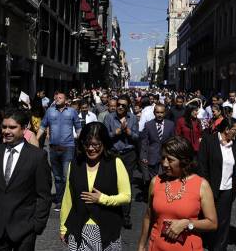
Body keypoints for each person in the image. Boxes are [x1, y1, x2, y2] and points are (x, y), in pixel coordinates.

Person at [0, 109, 52, 250]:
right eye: (4, 127)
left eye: (12, 127)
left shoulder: (37, 157)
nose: (7, 131)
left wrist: (37, 225)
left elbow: (44, 195)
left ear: (24, 128)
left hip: (24, 230)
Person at [137, 136, 218, 251]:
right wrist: (141, 246)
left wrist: (188, 224)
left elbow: (212, 223)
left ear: (184, 161)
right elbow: (148, 217)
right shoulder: (156, 181)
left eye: (170, 160)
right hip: (156, 247)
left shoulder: (201, 185)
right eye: (163, 158)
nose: (164, 164)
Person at [60, 122, 131, 250]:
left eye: (96, 145)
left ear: (104, 143)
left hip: (107, 228)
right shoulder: (75, 164)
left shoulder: (115, 163)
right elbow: (68, 198)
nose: (91, 149)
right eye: (87, 144)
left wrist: (102, 199)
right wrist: (63, 227)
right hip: (79, 227)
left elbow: (126, 196)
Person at [199, 117, 236, 251]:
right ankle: (204, 241)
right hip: (210, 188)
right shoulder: (209, 141)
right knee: (207, 218)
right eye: (235, 130)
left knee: (223, 221)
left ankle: (219, 248)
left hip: (227, 189)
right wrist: (205, 186)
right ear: (227, 129)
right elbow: (202, 165)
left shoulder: (235, 145)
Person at [37, 92, 81, 211]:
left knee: (66, 175)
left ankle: (70, 199)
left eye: (60, 97)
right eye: (56, 97)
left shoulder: (72, 111)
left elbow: (78, 128)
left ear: (66, 100)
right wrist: (35, 141)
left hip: (68, 147)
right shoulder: (50, 111)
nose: (57, 99)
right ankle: (60, 200)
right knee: (57, 177)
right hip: (54, 148)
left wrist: (82, 143)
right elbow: (42, 126)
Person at [104, 94, 139, 229]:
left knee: (126, 184)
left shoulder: (133, 118)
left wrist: (129, 132)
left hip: (128, 155)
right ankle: (111, 213)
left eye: (123, 105)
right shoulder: (109, 117)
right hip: (113, 154)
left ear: (127, 106)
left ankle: (126, 215)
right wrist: (116, 132)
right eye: (118, 104)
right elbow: (105, 136)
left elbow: (137, 137)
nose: (119, 107)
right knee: (111, 183)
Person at [140, 104, 175, 200]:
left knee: (166, 178)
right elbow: (144, 142)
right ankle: (154, 198)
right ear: (154, 113)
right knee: (154, 180)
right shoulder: (148, 125)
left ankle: (163, 197)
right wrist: (143, 156)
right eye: (157, 112)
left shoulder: (170, 124)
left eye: (161, 112)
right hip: (152, 157)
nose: (159, 114)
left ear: (165, 113)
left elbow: (173, 140)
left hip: (166, 156)